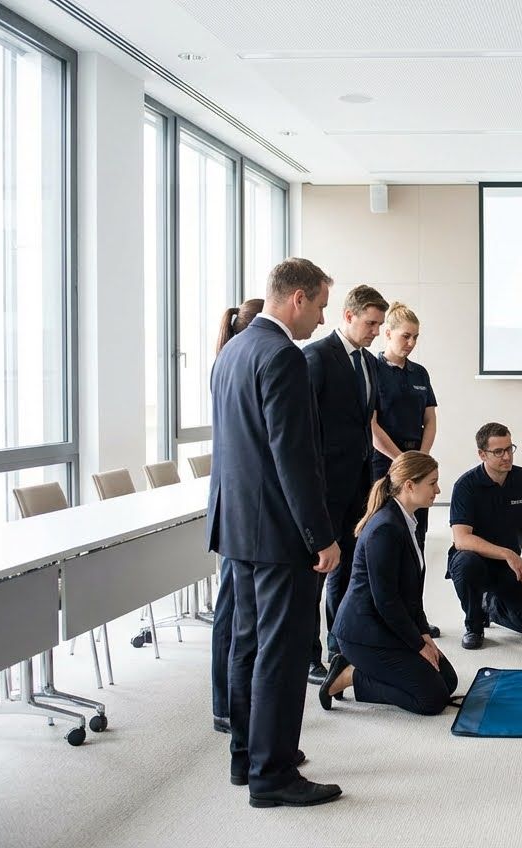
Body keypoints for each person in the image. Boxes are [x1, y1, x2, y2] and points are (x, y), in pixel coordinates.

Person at [207, 258, 342, 808]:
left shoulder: (232, 351)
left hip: (236, 525)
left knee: (247, 645)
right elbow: (293, 458)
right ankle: (274, 775)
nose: (321, 320)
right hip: (278, 532)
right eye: (320, 308)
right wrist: (321, 536)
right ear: (297, 300)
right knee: (281, 654)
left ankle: (248, 757)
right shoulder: (283, 356)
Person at [319, 452, 458, 716]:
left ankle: (367, 670)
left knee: (447, 680)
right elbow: (387, 601)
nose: (438, 490)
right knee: (432, 699)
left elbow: (411, 596)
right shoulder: (385, 528)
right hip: (364, 634)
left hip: (388, 624)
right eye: (432, 483)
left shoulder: (406, 520)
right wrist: (418, 645)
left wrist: (425, 636)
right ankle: (349, 675)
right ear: (409, 485)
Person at [303, 284, 389, 686]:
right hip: (322, 490)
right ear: (349, 316)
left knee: (348, 571)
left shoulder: (370, 364)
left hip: (358, 486)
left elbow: (365, 425)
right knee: (316, 576)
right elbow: (303, 430)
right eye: (371, 323)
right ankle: (309, 656)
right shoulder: (315, 357)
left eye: (379, 324)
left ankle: (340, 647)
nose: (376, 331)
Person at [447, 422, 522, 650]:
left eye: (509, 449)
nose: (507, 456)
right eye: (498, 451)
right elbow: (462, 539)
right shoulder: (466, 485)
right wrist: (507, 553)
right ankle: (474, 624)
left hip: (510, 567)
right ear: (482, 454)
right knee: (467, 563)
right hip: (475, 562)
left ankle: (491, 605)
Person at [210, 297, 264, 735]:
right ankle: (226, 706)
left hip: (233, 509)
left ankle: (229, 705)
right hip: (240, 513)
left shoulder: (228, 358)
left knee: (233, 614)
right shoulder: (245, 360)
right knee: (232, 617)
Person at [371, 302, 437, 545]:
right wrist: (402, 462)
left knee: (418, 534)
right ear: (388, 333)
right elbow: (372, 426)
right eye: (405, 336)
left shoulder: (419, 373)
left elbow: (430, 420)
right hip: (384, 461)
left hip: (416, 459)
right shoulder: (373, 369)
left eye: (415, 337)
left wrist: (421, 458)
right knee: (385, 530)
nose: (411, 343)